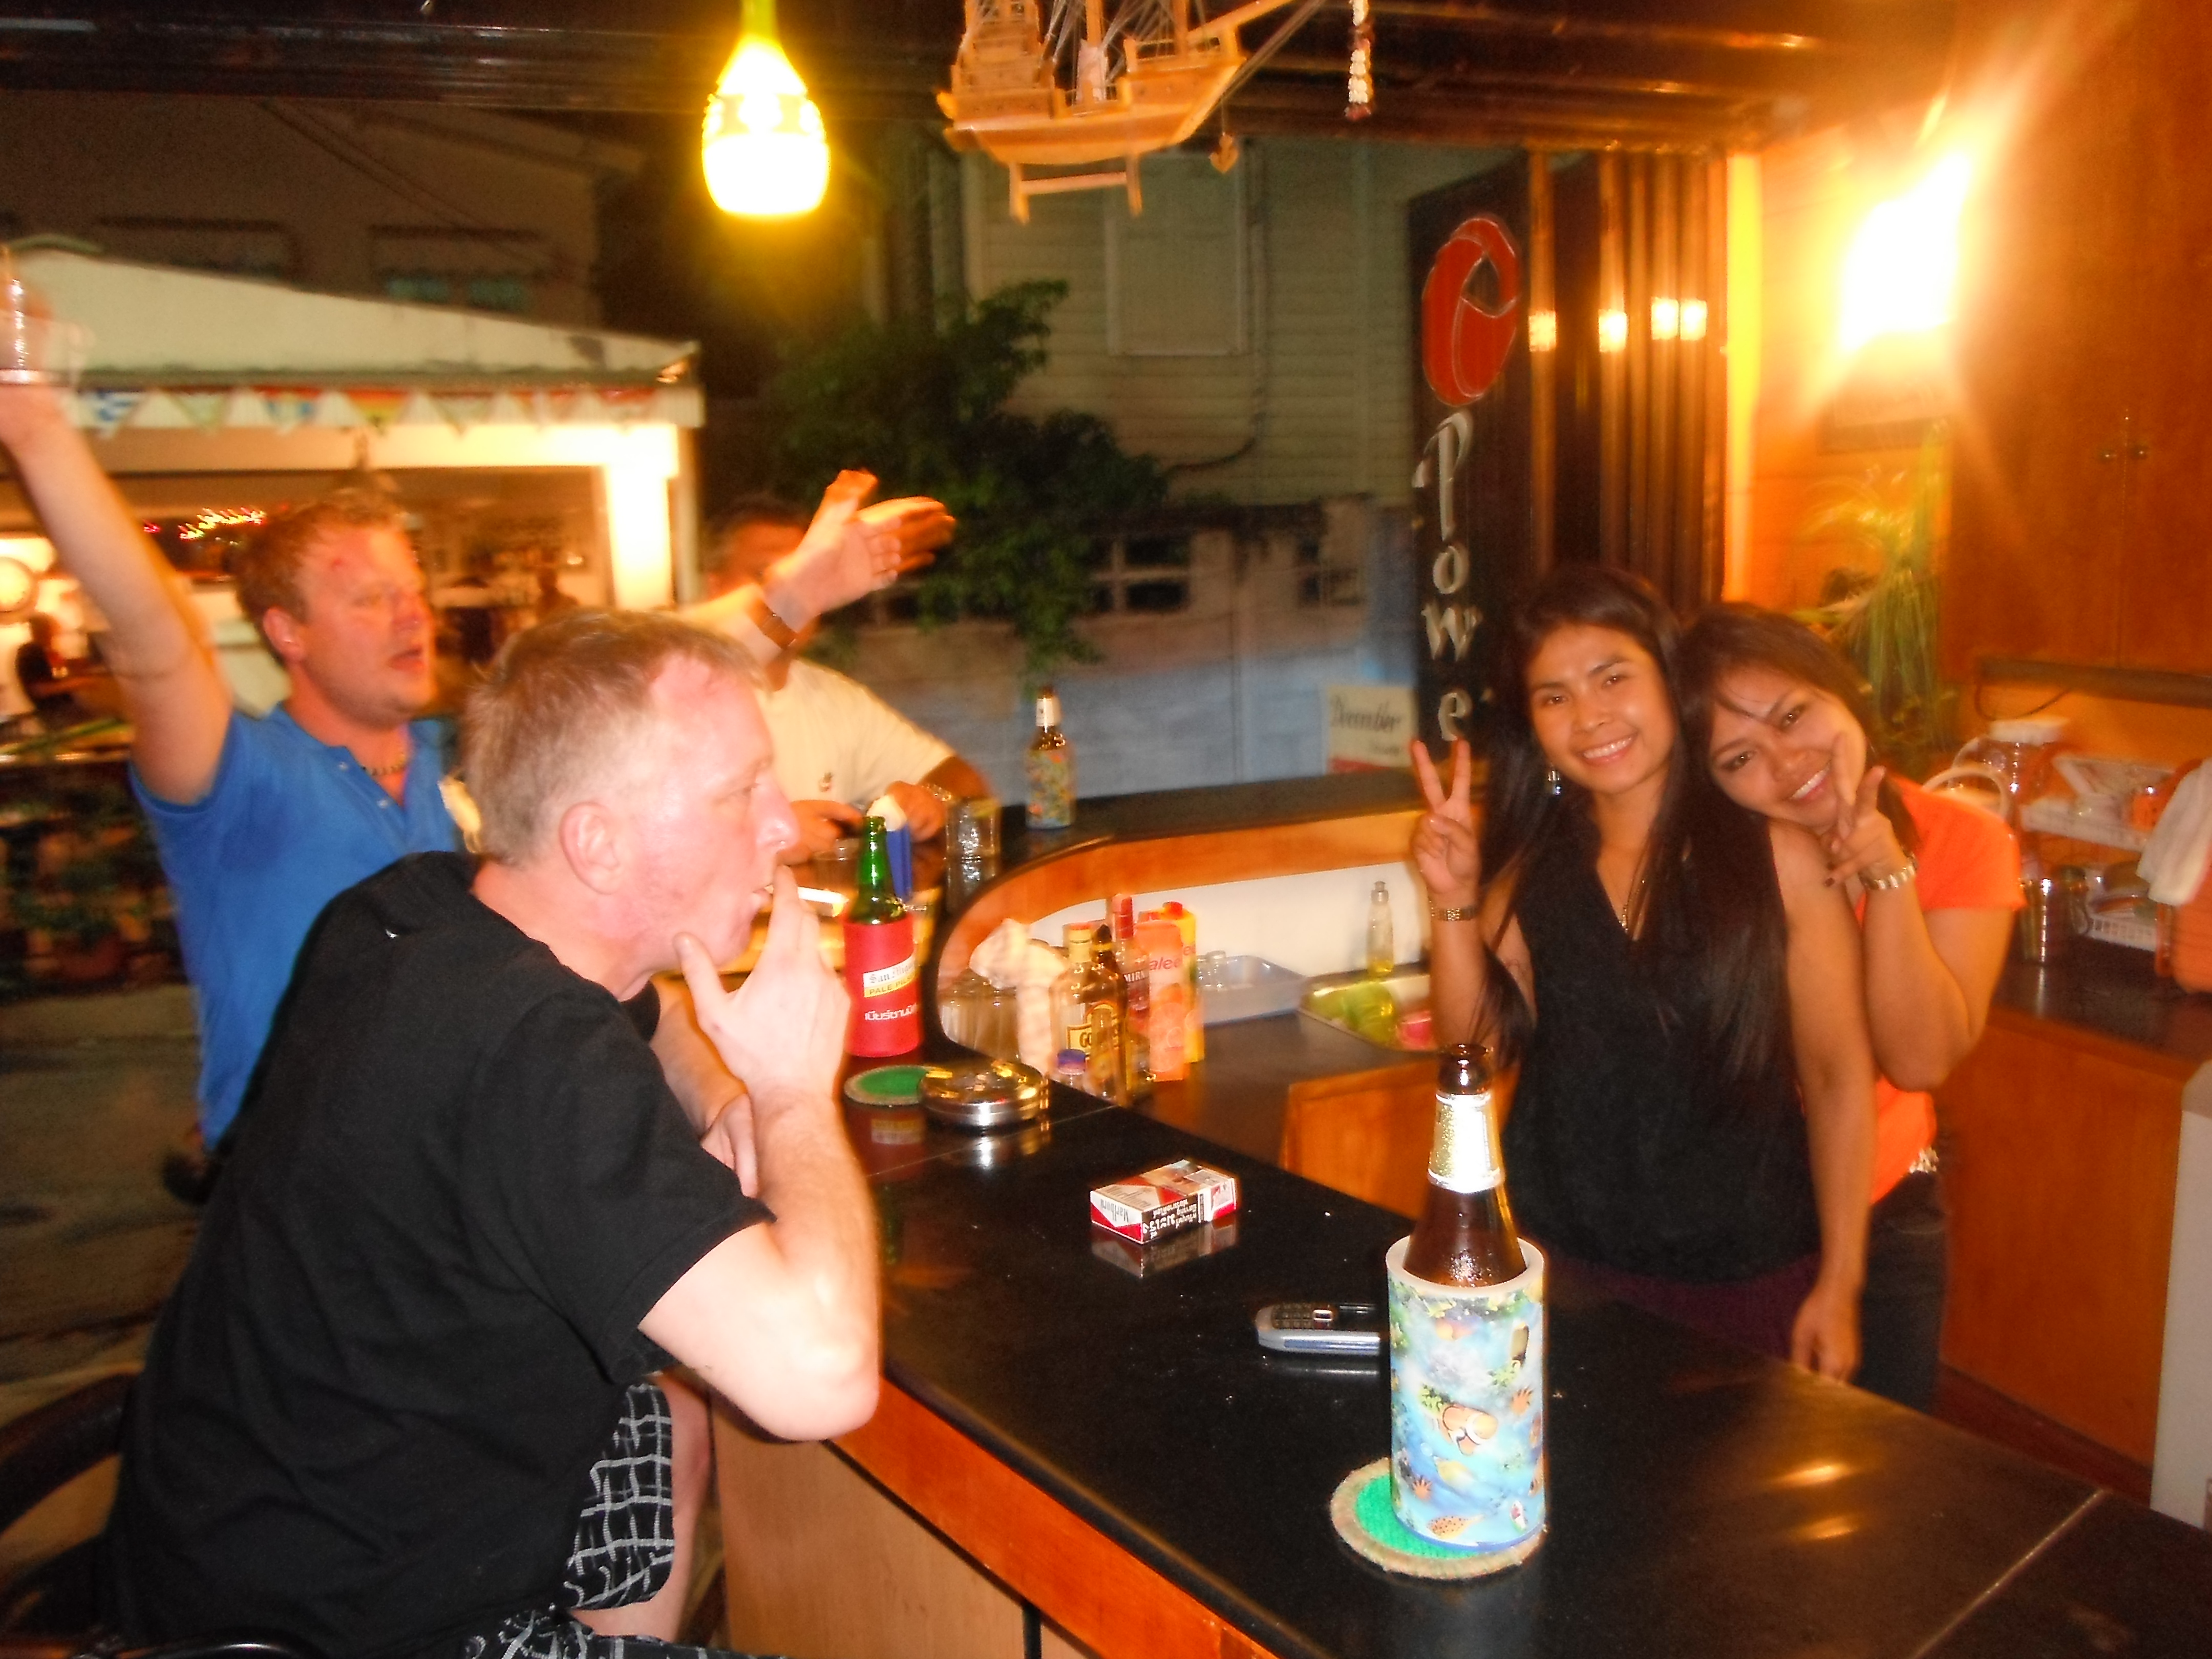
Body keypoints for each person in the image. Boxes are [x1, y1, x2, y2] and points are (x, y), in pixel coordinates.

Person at [104, 609, 879, 1659]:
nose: (783, 825)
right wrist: (790, 1094)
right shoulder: (531, 1053)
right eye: (740, 792)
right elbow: (821, 1380)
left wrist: (726, 1098)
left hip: (211, 1544)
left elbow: (644, 1017)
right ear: (598, 843)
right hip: (343, 1636)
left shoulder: (417, 908)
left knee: (663, 1424)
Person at [0, 381, 951, 1159]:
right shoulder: (241, 778)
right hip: (308, 1184)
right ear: (286, 630)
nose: (410, 616)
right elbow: (158, 642)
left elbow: (633, 685)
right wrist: (39, 427)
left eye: (413, 592)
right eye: (370, 599)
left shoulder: (456, 759)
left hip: (467, 1151)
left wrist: (797, 593)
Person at [1412, 565, 1876, 1377]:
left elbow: (1839, 1078)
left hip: (1749, 1275)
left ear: (1669, 677)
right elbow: (1472, 1053)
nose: (1590, 716)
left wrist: (1841, 1284)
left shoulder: (1780, 860)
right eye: (1554, 696)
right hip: (1563, 1271)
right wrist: (1452, 902)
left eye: (1612, 677)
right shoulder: (1531, 872)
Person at [1679, 604, 2020, 1410]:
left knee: (1882, 1459)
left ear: (1842, 691)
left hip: (1881, 1210)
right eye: (1739, 758)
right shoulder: (1716, 867)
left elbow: (1921, 1058)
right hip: (1726, 1222)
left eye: (1793, 715)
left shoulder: (1965, 840)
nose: (1787, 762)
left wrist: (1888, 875)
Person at [704, 495, 990, 862]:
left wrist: (933, 800)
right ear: (715, 589)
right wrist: (765, 831)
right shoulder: (677, 700)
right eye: (766, 577)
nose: (794, 591)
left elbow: (964, 781)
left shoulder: (836, 700)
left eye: (809, 574)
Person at [12, 610, 81, 724]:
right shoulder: (31, 652)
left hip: (62, 711)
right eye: (54, 630)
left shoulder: (47, 652)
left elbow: (57, 675)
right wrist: (78, 683)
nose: (57, 634)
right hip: (54, 714)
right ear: (45, 630)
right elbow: (39, 690)